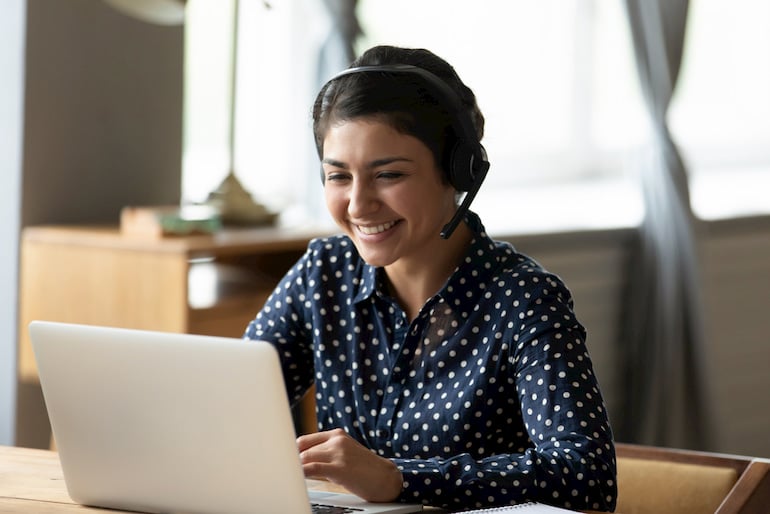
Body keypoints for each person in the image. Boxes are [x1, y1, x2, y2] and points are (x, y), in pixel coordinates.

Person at [244, 45, 617, 512]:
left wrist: (399, 479)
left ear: (459, 173)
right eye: (339, 176)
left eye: (389, 174)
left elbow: (586, 478)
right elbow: (235, 406)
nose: (358, 205)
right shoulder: (324, 273)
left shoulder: (524, 299)